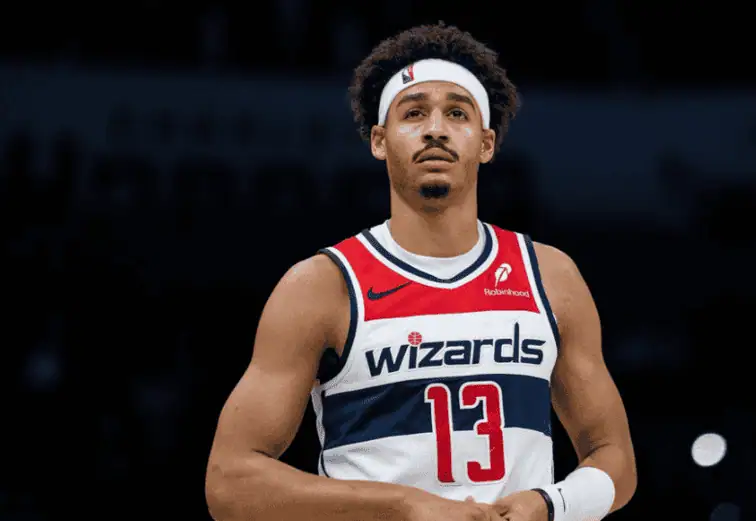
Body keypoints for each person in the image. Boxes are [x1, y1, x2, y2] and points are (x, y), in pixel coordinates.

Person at [205, 22, 636, 521]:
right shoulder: (323, 286)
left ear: (486, 143)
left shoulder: (551, 276)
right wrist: (404, 506)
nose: (435, 129)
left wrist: (550, 504)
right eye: (413, 113)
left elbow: (616, 460)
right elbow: (229, 481)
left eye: (457, 113)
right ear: (379, 140)